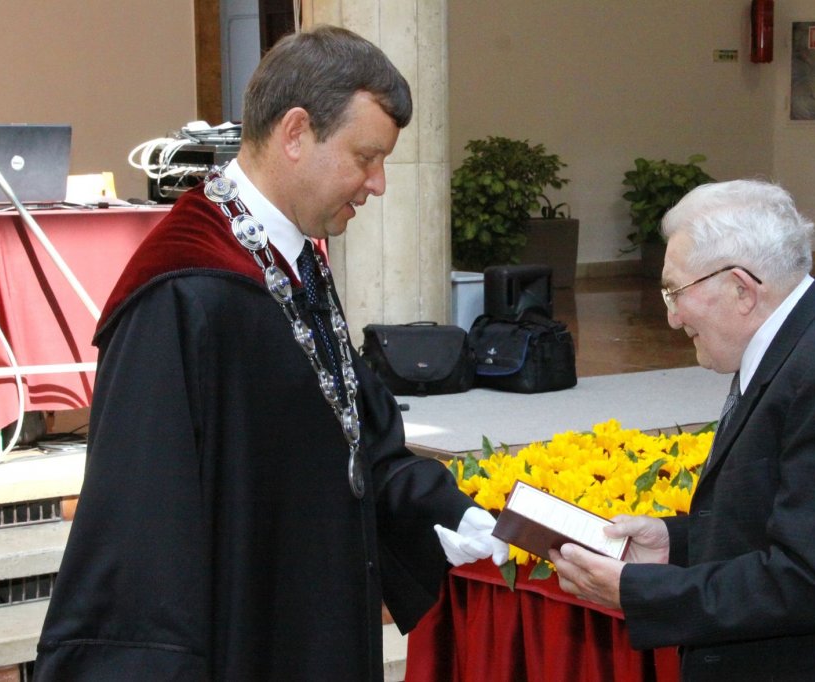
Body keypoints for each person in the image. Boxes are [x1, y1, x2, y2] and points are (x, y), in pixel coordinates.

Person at [35, 25, 506, 681]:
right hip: (247, 640)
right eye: (365, 157)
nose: (377, 185)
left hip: (310, 619)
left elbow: (354, 437)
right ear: (295, 133)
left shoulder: (285, 257)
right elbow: (140, 527)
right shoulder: (185, 292)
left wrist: (451, 514)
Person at [551, 179, 815, 681]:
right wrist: (674, 544)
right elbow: (784, 517)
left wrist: (640, 592)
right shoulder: (803, 344)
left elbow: (814, 580)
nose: (672, 317)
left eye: (675, 292)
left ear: (741, 289)